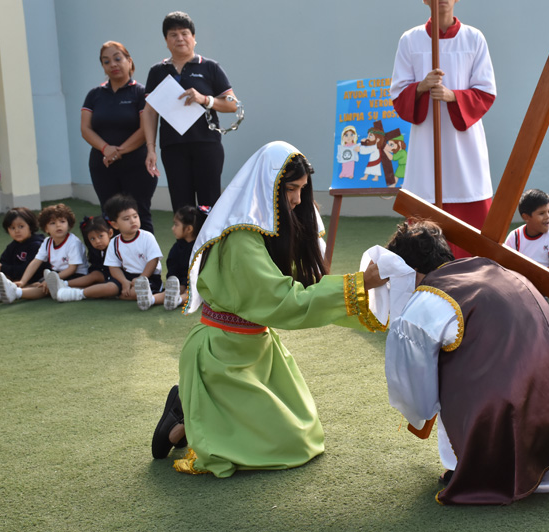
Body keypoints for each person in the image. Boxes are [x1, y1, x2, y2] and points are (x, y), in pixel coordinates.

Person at [150, 141, 387, 477]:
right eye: (291, 189)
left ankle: (193, 410)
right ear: (268, 187)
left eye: (302, 189)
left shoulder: (270, 228)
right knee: (290, 444)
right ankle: (183, 419)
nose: (298, 199)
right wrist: (359, 284)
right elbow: (284, 302)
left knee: (304, 434)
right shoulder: (241, 239)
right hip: (221, 355)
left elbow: (303, 288)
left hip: (258, 348)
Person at [383, 221, 549, 505]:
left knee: (449, 373)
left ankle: (474, 468)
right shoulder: (495, 267)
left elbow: (415, 388)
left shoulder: (426, 300)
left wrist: (421, 409)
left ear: (408, 270)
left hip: (513, 413)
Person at [389, 0, 496, 258]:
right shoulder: (410, 40)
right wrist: (421, 87)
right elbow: (398, 95)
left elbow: (486, 91)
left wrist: (453, 96)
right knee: (424, 223)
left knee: (473, 225)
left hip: (464, 144)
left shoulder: (474, 39)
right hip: (427, 143)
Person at [142, 11, 238, 212]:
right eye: (173, 35)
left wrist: (205, 99)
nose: (180, 38)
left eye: (184, 33)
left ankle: (210, 235)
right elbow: (149, 112)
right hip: (173, 147)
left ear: (194, 38)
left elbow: (232, 104)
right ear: (166, 41)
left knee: (209, 205)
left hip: (207, 144)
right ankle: (186, 236)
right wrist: (151, 149)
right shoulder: (157, 71)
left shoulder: (210, 67)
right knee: (181, 206)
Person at [81, 41, 157, 233]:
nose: (113, 64)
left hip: (137, 165)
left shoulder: (141, 93)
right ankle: (113, 254)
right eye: (106, 61)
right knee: (110, 217)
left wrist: (118, 151)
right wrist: (106, 149)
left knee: (138, 215)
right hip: (103, 165)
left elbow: (145, 128)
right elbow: (85, 129)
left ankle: (148, 254)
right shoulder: (94, 95)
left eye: (117, 59)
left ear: (129, 61)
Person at [49, 195, 163, 308]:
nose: (133, 221)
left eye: (135, 216)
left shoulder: (147, 237)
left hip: (148, 277)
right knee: (110, 287)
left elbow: (153, 261)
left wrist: (141, 278)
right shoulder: (114, 242)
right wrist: (124, 281)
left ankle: (120, 295)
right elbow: (114, 267)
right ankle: (76, 294)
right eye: (126, 219)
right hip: (126, 276)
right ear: (115, 225)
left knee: (135, 292)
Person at [0, 204, 88, 303]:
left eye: (62, 221)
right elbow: (35, 262)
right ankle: (6, 292)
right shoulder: (47, 242)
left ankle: (15, 293)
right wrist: (23, 281)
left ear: (69, 225)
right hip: (57, 274)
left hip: (76, 276)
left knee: (45, 287)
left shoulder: (73, 243)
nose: (58, 225)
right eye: (52, 223)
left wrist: (53, 280)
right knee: (38, 284)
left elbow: (72, 269)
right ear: (46, 228)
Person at [504, 189, 549, 322]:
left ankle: (547, 309)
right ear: (526, 217)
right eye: (541, 213)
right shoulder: (515, 236)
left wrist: (533, 284)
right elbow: (505, 266)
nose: (548, 217)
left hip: (547, 282)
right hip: (523, 283)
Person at [45, 216, 114, 300]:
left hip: (114, 277)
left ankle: (64, 285)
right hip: (103, 276)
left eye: (100, 236)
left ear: (110, 233)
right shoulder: (95, 250)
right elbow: (96, 266)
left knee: (96, 276)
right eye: (92, 239)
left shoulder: (116, 247)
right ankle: (63, 287)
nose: (97, 241)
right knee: (94, 276)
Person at [162, 205, 210, 310]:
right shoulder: (177, 247)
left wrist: (184, 284)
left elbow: (199, 272)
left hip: (195, 283)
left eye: (176, 225)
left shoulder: (201, 249)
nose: (173, 228)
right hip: (180, 283)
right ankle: (151, 299)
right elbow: (172, 267)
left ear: (189, 229)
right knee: (168, 292)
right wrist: (175, 281)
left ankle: (177, 300)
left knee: (192, 292)